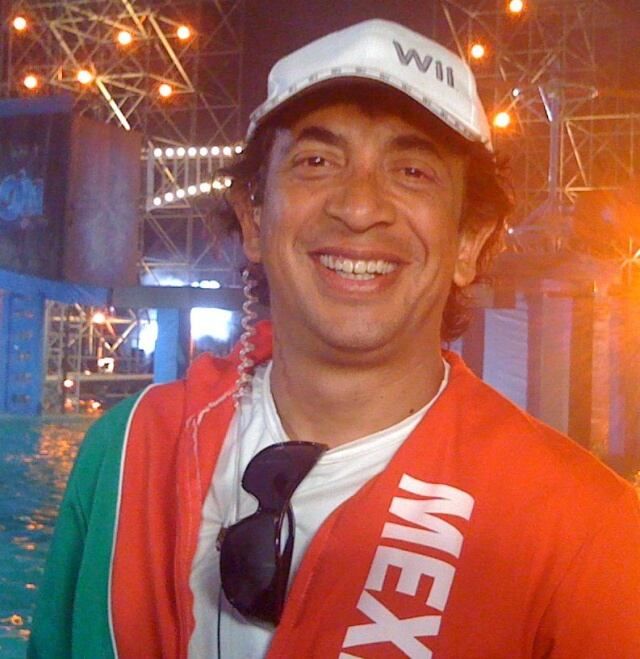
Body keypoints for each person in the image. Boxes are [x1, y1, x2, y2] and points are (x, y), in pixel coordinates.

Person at [29, 19, 640, 659]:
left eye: (412, 171)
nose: (358, 207)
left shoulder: (578, 528)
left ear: (468, 241)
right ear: (253, 218)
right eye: (316, 162)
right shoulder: (129, 452)